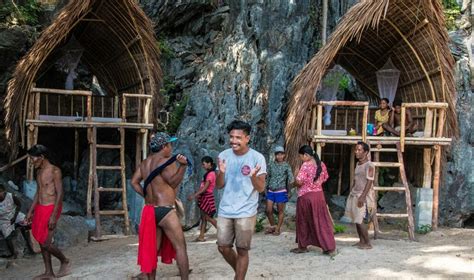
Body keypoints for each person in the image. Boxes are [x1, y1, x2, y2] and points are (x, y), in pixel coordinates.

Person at [131, 132, 190, 280]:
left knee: (152, 251)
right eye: (170, 144)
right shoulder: (167, 160)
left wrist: (146, 196)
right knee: (181, 247)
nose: (171, 147)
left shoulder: (145, 163)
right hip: (166, 210)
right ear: (164, 146)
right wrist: (182, 166)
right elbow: (173, 182)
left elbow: (134, 182)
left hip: (150, 210)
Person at [216, 120, 266, 280]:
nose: (233, 141)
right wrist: (221, 172)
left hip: (246, 211)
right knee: (223, 247)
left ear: (247, 138)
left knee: (242, 249)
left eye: (238, 137)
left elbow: (261, 188)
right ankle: (240, 270)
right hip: (225, 210)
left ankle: (239, 277)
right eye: (231, 137)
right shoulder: (223, 156)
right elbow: (219, 185)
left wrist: (253, 177)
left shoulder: (257, 158)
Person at [26, 144, 70, 279]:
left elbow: (60, 193)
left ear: (42, 157)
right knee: (40, 241)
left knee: (46, 242)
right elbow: (38, 192)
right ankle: (49, 272)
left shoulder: (55, 171)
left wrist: (53, 216)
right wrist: (31, 211)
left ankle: (64, 260)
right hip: (40, 207)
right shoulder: (38, 172)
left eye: (33, 159)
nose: (31, 162)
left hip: (51, 207)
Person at [291, 145, 336, 256]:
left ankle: (303, 246)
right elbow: (325, 178)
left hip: (306, 197)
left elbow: (300, 182)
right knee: (321, 221)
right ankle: (329, 247)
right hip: (319, 196)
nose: (301, 159)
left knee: (303, 221)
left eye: (301, 156)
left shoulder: (306, 165)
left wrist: (295, 180)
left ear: (306, 155)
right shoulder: (322, 164)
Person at [342, 141, 376, 249]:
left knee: (360, 220)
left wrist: (363, 196)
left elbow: (370, 181)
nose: (356, 152)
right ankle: (361, 241)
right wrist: (351, 191)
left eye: (359, 150)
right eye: (356, 149)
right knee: (356, 219)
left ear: (366, 152)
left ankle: (368, 243)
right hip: (355, 194)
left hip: (362, 195)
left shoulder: (370, 165)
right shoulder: (358, 164)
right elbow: (356, 180)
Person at [264, 146, 294, 236]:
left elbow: (291, 179)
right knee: (268, 210)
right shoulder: (271, 165)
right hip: (270, 191)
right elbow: (267, 177)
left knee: (280, 211)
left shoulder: (286, 166)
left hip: (281, 191)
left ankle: (278, 229)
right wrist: (265, 189)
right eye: (278, 154)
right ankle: (273, 227)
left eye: (281, 154)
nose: (279, 156)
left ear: (284, 155)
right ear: (275, 155)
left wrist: (289, 192)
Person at [187, 156, 217, 242]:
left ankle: (224, 233)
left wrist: (194, 195)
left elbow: (205, 188)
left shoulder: (211, 174)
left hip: (206, 197)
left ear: (209, 164)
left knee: (208, 218)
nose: (203, 166)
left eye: (204, 164)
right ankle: (201, 236)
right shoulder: (209, 173)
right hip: (204, 197)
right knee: (203, 218)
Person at [0, 184, 33, 259]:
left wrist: (14, 217)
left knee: (28, 224)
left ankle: (33, 242)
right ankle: (13, 254)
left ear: (4, 191)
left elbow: (19, 205)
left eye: (0, 192)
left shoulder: (11, 196)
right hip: (4, 219)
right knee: (7, 237)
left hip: (15, 214)